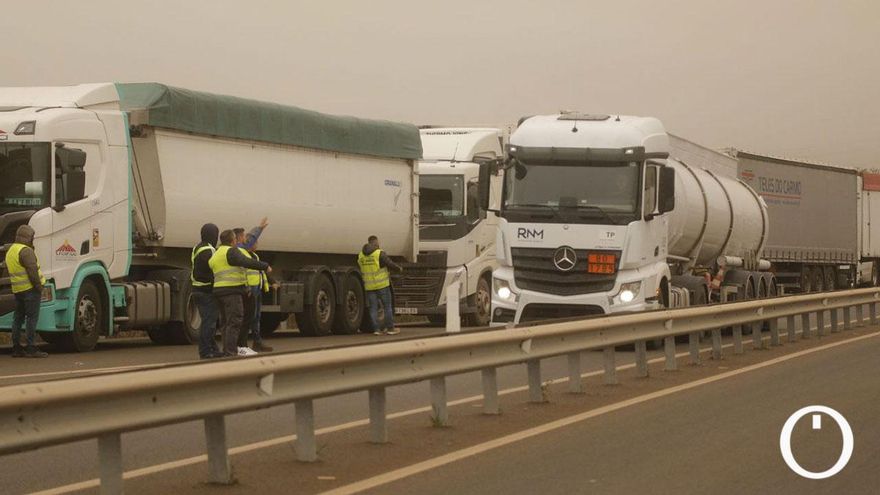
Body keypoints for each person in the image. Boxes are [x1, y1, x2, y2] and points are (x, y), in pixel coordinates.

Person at [209, 229, 271, 357]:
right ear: (233, 241)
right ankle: (231, 352)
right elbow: (246, 262)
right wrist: (264, 266)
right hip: (231, 291)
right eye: (235, 239)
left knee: (226, 323)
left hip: (218, 291)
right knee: (235, 321)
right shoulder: (231, 252)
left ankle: (227, 350)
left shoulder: (216, 253)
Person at [5, 225, 48, 358]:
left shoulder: (11, 250)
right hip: (31, 290)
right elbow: (32, 271)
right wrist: (39, 287)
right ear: (28, 237)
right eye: (32, 237)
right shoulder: (26, 251)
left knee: (17, 319)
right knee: (31, 319)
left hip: (18, 291)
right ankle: (31, 348)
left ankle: (16, 348)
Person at [234, 218, 273, 352]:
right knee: (247, 317)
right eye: (244, 236)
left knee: (255, 316)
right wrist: (260, 228)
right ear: (239, 237)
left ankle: (255, 342)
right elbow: (251, 239)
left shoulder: (246, 251)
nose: (247, 239)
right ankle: (242, 345)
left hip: (254, 288)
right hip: (248, 288)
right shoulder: (239, 249)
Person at [357, 235, 403, 335]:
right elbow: (389, 263)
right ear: (375, 243)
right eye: (378, 242)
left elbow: (360, 267)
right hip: (382, 285)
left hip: (369, 286)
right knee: (387, 306)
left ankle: (376, 330)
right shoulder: (379, 253)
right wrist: (399, 268)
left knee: (373, 308)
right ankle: (390, 329)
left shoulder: (361, 255)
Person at [191, 223, 222, 359]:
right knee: (209, 323)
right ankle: (205, 351)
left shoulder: (197, 247)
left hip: (197, 289)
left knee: (208, 322)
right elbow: (213, 269)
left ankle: (213, 349)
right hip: (207, 290)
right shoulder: (208, 250)